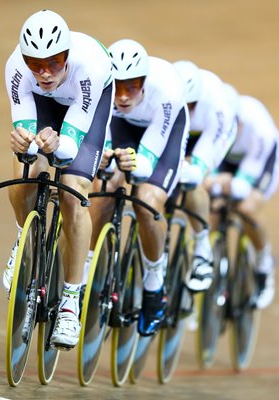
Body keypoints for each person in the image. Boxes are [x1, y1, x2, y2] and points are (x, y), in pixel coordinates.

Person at [2, 9, 114, 350]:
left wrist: (57, 145)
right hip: (44, 107)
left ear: (67, 55)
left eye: (54, 62)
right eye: (36, 63)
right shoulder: (16, 70)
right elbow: (26, 135)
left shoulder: (89, 68)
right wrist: (26, 143)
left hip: (86, 110)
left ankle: (69, 301)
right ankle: (25, 242)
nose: (45, 72)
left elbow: (68, 150)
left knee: (72, 192)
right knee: (25, 172)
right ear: (24, 59)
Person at [87, 38, 189, 336]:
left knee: (147, 201)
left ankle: (154, 288)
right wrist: (105, 158)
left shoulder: (166, 93)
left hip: (162, 136)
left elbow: (146, 162)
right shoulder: (102, 87)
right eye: (117, 86)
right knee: (102, 189)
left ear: (144, 81)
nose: (122, 96)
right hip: (122, 130)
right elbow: (101, 139)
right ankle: (86, 274)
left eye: (131, 86)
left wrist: (135, 162)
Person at [203, 84, 279, 309]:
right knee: (210, 208)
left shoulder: (258, 128)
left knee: (246, 208)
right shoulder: (212, 120)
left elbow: (240, 188)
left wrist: (218, 184)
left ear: (240, 120)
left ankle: (263, 264)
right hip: (227, 160)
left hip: (261, 160)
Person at [172, 60, 238, 292]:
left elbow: (214, 143)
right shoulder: (165, 93)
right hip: (176, 127)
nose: (186, 109)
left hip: (209, 134)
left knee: (191, 177)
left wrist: (197, 170)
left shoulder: (216, 105)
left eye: (190, 106)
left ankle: (202, 249)